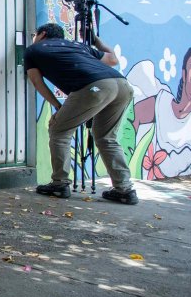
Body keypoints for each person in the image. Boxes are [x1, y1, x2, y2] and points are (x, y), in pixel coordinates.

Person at [25, 22, 137, 204]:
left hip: (95, 86)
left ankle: (59, 184)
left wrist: (56, 106)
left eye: (35, 34)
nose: (34, 38)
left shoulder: (34, 50)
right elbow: (113, 59)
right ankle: (124, 189)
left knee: (59, 131)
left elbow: (37, 82)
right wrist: (95, 39)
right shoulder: (77, 46)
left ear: (42, 34)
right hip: (122, 85)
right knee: (106, 137)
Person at [131, 47, 191, 178]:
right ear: (184, 73)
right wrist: (129, 157)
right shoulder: (163, 103)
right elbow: (134, 115)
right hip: (145, 179)